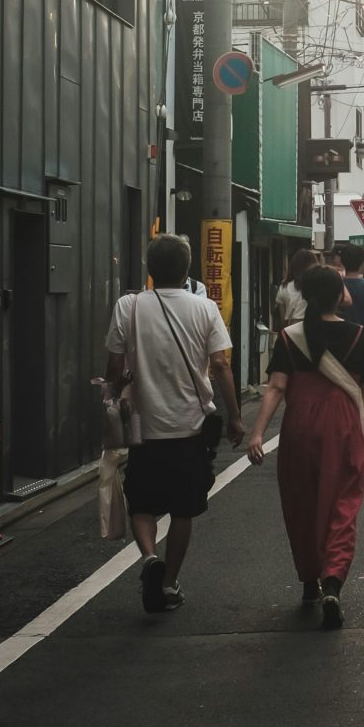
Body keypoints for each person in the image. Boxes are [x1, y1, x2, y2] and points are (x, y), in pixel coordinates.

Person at [104, 233, 243, 614]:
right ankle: (168, 584)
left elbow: (114, 367)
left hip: (142, 427)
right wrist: (235, 416)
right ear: (186, 270)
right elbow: (220, 365)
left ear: (150, 269)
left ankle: (150, 557)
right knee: (184, 508)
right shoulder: (205, 308)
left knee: (143, 501)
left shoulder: (128, 306)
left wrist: (112, 395)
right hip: (191, 427)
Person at [246, 262, 364, 628]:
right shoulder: (358, 335)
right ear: (339, 295)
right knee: (343, 502)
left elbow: (276, 387)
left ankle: (309, 579)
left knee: (301, 502)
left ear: (305, 296)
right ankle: (333, 582)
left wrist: (258, 432)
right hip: (342, 426)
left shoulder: (290, 337)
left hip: (299, 425)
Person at [273, 246, 318, 336]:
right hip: (312, 330)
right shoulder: (317, 286)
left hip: (291, 332)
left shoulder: (284, 286)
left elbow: (282, 319)